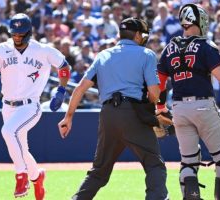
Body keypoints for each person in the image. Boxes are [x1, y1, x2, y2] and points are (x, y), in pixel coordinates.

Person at [156, 4, 220, 200]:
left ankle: (190, 196)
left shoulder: (169, 48)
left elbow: (160, 83)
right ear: (197, 21)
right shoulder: (205, 45)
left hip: (178, 108)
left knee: (188, 162)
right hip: (203, 106)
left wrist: (160, 108)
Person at [58, 17, 168, 200]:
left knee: (99, 172)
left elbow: (79, 89)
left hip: (108, 115)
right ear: (139, 35)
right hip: (133, 113)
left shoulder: (102, 55)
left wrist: (68, 117)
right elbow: (155, 94)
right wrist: (151, 111)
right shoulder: (146, 54)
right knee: (154, 165)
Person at [0, 13, 71, 199]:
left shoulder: (42, 50)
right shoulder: (2, 49)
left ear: (29, 32)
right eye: (14, 34)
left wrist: (61, 91)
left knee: (8, 132)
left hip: (30, 106)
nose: (17, 37)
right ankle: (37, 176)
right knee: (21, 149)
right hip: (7, 105)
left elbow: (64, 66)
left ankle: (21, 176)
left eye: (21, 34)